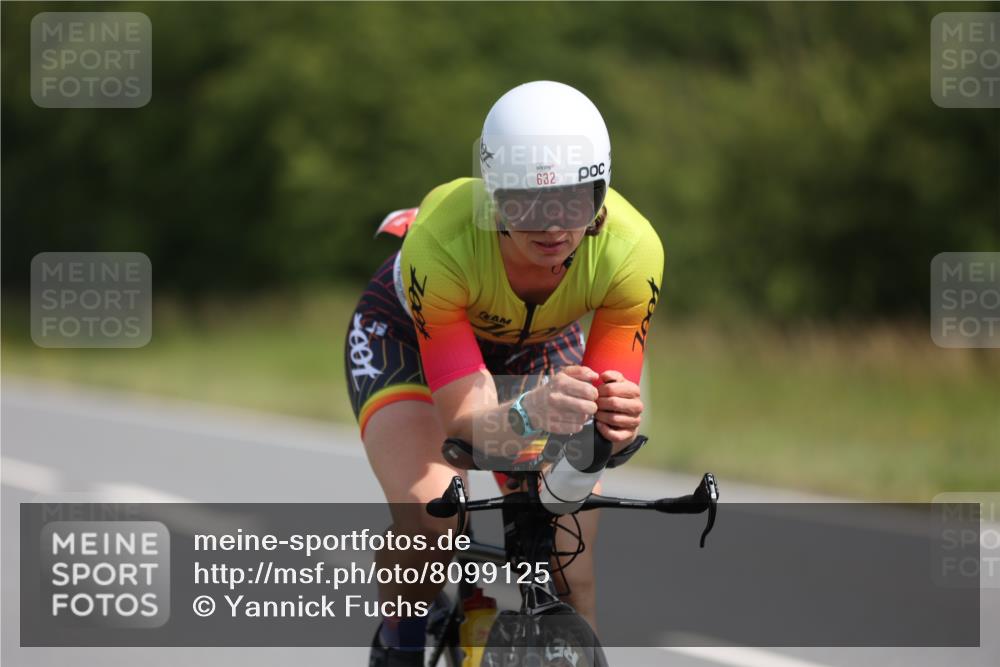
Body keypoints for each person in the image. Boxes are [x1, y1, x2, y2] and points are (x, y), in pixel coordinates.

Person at [345, 80, 663, 666]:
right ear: (494, 198)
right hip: (408, 341)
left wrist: (613, 418)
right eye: (529, 203)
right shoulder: (442, 241)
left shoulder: (632, 251)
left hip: (539, 346)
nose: (554, 226)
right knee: (432, 519)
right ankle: (400, 638)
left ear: (602, 192)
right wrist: (529, 412)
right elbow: (465, 426)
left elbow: (598, 427)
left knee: (572, 565)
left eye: (576, 199)